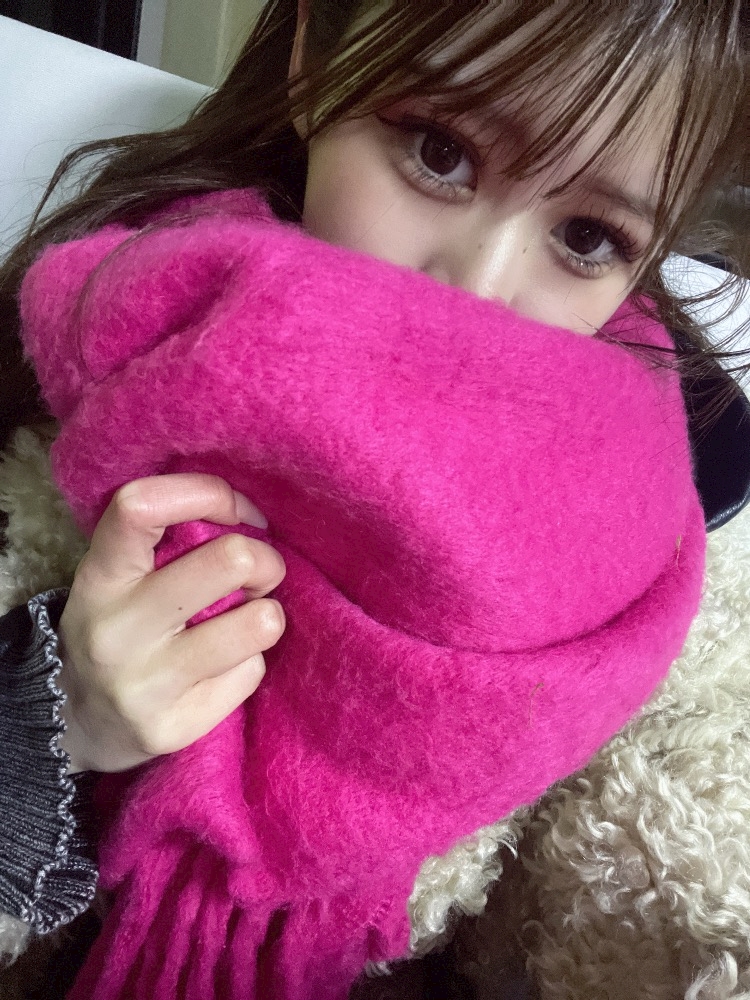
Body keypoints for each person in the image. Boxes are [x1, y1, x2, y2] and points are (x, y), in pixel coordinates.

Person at [0, 1, 747, 996]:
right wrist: (54, 719)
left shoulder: (654, 497)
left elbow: (677, 832)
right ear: (315, 57)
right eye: (440, 152)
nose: (473, 290)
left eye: (586, 236)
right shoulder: (96, 335)